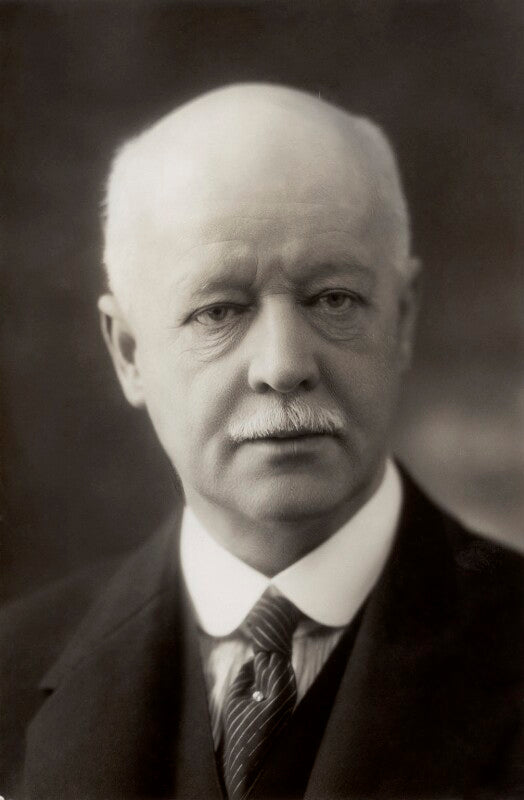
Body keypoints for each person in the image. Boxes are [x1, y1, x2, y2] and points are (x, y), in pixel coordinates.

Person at [1, 83, 522, 800]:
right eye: (218, 311)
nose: (283, 365)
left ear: (402, 320)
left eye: (333, 299)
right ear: (128, 352)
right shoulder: (11, 673)